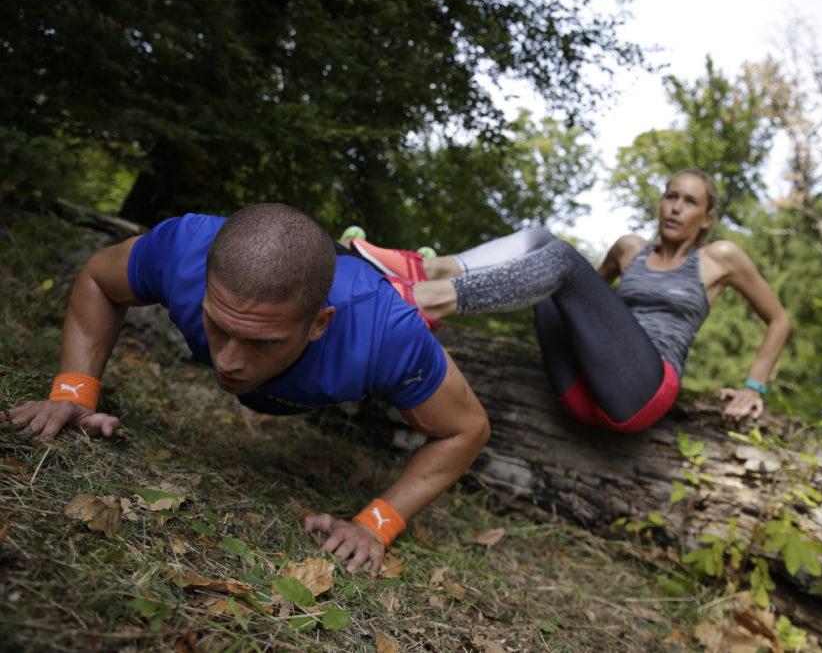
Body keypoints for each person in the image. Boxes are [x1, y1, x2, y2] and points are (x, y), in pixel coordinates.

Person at [4, 204, 490, 575]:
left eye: (262, 341)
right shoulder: (185, 249)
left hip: (379, 300)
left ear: (319, 324)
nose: (229, 362)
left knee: (410, 299)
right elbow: (98, 278)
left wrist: (376, 523)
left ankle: (417, 272)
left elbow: (465, 430)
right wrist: (73, 391)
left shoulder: (386, 331)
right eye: (217, 326)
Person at [350, 168, 790, 432]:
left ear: (707, 217)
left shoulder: (720, 259)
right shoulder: (629, 249)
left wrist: (754, 386)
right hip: (581, 389)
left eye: (689, 202)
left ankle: (423, 301)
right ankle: (430, 271)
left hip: (641, 393)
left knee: (557, 257)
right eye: (670, 196)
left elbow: (778, 321)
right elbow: (571, 292)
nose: (675, 207)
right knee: (543, 247)